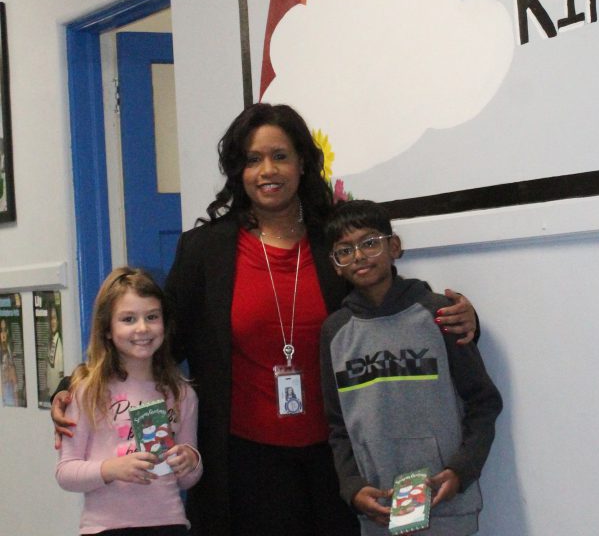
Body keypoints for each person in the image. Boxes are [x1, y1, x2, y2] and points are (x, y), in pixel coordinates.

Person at [54, 103, 478, 536]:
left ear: (302, 163)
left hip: (337, 460)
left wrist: (463, 318)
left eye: (280, 155)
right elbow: (158, 339)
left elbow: (386, 305)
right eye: (253, 159)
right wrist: (75, 386)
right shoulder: (206, 250)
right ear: (238, 170)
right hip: (240, 464)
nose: (267, 170)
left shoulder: (333, 238)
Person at [320, 200, 502, 535]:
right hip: (378, 511)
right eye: (345, 251)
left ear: (394, 247)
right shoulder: (335, 333)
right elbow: (337, 428)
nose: (359, 256)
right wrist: (353, 488)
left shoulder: (440, 314)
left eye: (369, 243)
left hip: (445, 506)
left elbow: (483, 403)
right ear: (336, 265)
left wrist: (462, 470)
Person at [55, 266, 202, 536]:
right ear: (107, 329)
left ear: (165, 324)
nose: (142, 328)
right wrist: (111, 469)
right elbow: (65, 472)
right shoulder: (88, 392)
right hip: (106, 528)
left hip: (169, 524)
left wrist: (191, 460)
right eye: (128, 319)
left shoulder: (182, 394)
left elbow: (188, 478)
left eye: (152, 317)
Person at [46, 302, 65, 395]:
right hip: (51, 390)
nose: (52, 322)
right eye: (51, 319)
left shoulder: (61, 341)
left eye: (54, 318)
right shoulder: (51, 341)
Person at [1, 315, 19, 406]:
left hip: (10, 394)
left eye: (5, 330)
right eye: (1, 330)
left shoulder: (9, 349)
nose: (3, 334)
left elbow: (14, 377)